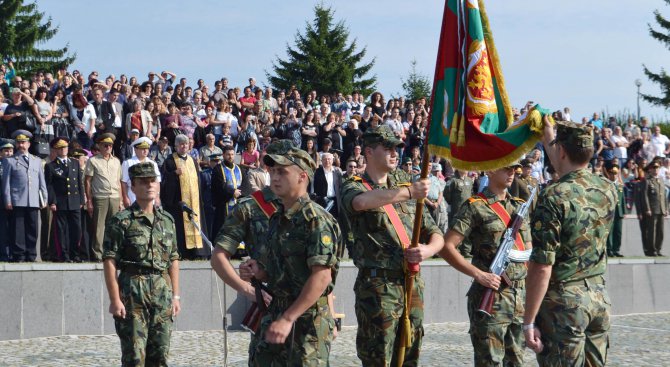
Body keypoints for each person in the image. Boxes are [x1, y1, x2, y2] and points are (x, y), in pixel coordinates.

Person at [340, 125, 444, 366]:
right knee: (379, 356)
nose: (395, 153)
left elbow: (435, 232)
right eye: (387, 148)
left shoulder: (404, 186)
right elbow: (360, 202)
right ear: (368, 151)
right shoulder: (354, 184)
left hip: (411, 283)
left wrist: (427, 251)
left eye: (397, 148)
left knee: (410, 352)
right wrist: (409, 192)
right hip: (378, 287)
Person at [523, 120, 617, 366]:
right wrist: (548, 136)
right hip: (598, 296)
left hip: (563, 304)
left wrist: (528, 320)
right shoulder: (608, 188)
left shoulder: (553, 196)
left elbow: (542, 265)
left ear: (561, 151)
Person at [244, 141, 343, 366]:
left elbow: (321, 277)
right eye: (273, 171)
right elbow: (281, 271)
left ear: (302, 176)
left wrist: (289, 318)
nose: (274, 177)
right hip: (276, 314)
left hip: (306, 323)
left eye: (282, 171)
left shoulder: (315, 219)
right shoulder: (279, 218)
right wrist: (260, 272)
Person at [439, 161, 531, 366]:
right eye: (506, 168)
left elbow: (528, 254)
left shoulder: (519, 206)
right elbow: (447, 247)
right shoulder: (475, 206)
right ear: (490, 170)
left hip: (519, 298)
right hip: (492, 297)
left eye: (513, 169)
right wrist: (478, 274)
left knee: (517, 361)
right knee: (490, 361)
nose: (511, 173)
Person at [102, 162, 181, 366]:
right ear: (133, 187)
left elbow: (173, 258)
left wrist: (176, 296)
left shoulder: (167, 220)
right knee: (135, 357)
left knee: (161, 356)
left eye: (152, 181)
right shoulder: (121, 221)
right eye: (143, 182)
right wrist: (114, 299)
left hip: (162, 292)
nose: (149, 185)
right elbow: (110, 260)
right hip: (133, 292)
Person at [160, 134, 209, 260]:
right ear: (176, 146)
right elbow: (164, 180)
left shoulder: (193, 160)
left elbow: (199, 180)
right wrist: (174, 174)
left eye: (186, 144)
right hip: (179, 201)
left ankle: (197, 251)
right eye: (181, 144)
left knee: (196, 222)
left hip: (195, 201)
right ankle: (183, 252)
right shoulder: (170, 161)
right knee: (181, 227)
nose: (184, 146)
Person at [2, 130, 47, 262]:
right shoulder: (9, 161)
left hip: (33, 200)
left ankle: (31, 254)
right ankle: (19, 254)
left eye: (23, 142)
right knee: (18, 229)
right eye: (19, 142)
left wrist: (44, 199)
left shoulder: (36, 160)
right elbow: (6, 184)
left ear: (28, 144)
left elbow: (41, 182)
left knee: (33, 228)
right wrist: (8, 200)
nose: (21, 145)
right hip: (17, 200)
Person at [45, 137, 85, 262]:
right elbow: (49, 185)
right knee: (61, 231)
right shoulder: (51, 166)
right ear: (56, 150)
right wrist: (52, 201)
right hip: (60, 202)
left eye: (65, 147)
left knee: (76, 229)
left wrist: (81, 200)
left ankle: (75, 254)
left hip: (74, 200)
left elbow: (79, 182)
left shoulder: (74, 163)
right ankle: (64, 255)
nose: (63, 150)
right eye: (60, 148)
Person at [84, 133, 122, 262]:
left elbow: (119, 181)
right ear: (99, 146)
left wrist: (121, 200)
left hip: (115, 196)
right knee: (99, 227)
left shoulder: (116, 161)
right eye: (105, 145)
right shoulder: (93, 160)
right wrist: (89, 200)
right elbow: (88, 181)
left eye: (110, 145)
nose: (108, 148)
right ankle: (98, 254)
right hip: (100, 196)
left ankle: (112, 253)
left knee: (114, 227)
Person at [637, 159, 668, 256]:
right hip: (653, 209)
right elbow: (645, 196)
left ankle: (658, 249)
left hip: (661, 209)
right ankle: (652, 250)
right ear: (650, 169)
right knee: (652, 231)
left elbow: (664, 196)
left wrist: (666, 208)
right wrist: (648, 209)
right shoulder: (647, 181)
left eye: (657, 167)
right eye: (654, 167)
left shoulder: (661, 180)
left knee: (661, 231)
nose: (656, 169)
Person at [121, 137, 161, 208]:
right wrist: (125, 198)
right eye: (142, 148)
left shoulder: (153, 163)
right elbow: (124, 182)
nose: (145, 151)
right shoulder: (128, 163)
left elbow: (157, 182)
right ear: (136, 149)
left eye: (147, 148)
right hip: (133, 196)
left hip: (150, 196)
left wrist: (157, 197)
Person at [211, 145, 242, 236]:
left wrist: (240, 193)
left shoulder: (239, 169)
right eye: (228, 154)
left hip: (238, 205)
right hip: (223, 205)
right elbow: (220, 185)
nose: (230, 156)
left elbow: (245, 185)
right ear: (223, 155)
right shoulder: (218, 169)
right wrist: (233, 192)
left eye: (232, 154)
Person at [444, 169, 475, 257]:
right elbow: (446, 194)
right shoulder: (453, 180)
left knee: (467, 229)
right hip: (456, 209)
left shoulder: (469, 180)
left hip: (468, 209)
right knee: (456, 230)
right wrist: (453, 203)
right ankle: (455, 250)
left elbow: (471, 193)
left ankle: (466, 250)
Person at [0, 139, 14, 261]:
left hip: (14, 202)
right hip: (1, 203)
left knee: (13, 229)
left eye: (10, 151)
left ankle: (12, 254)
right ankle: (4, 254)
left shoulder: (15, 164)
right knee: (3, 229)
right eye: (6, 151)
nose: (9, 153)